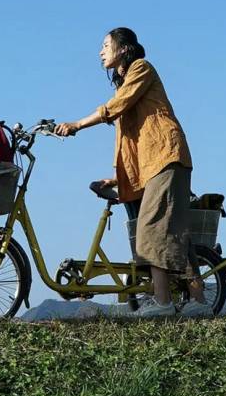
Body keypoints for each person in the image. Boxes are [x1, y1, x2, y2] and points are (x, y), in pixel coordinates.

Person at [56, 28, 201, 317]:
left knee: (151, 227)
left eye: (106, 45)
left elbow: (115, 108)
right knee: (172, 232)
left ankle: (163, 303)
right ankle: (198, 303)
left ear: (123, 48)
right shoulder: (123, 85)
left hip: (165, 155)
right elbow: (124, 137)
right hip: (150, 163)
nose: (101, 52)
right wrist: (117, 174)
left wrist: (77, 124)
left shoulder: (141, 68)